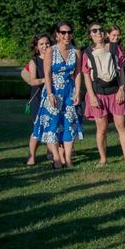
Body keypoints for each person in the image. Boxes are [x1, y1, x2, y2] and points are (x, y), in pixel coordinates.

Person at [81, 22, 125, 170]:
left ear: (104, 33)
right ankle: (103, 159)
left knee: (122, 127)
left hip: (116, 91)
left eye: (100, 30)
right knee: (101, 128)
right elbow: (86, 75)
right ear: (90, 34)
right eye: (94, 31)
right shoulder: (87, 53)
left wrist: (122, 89)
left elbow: (122, 70)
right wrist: (91, 96)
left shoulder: (114, 48)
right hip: (98, 93)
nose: (98, 33)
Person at [32, 22, 83, 169]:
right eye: (63, 32)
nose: (66, 35)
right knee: (52, 124)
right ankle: (56, 159)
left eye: (69, 32)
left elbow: (77, 73)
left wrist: (77, 91)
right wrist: (49, 94)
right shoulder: (51, 51)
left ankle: (68, 159)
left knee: (69, 124)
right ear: (57, 35)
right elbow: (47, 73)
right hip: (53, 91)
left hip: (69, 91)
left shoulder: (76, 51)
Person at [24, 33, 51, 166]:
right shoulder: (34, 61)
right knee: (38, 128)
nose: (45, 46)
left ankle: (50, 153)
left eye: (47, 43)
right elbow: (32, 81)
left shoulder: (54, 58)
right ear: (36, 47)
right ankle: (31, 156)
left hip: (52, 97)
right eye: (41, 44)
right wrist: (46, 80)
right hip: (38, 98)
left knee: (51, 126)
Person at [107, 25, 125, 102]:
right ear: (107, 35)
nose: (116, 37)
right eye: (113, 35)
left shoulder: (124, 50)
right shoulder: (103, 49)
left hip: (123, 84)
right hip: (108, 85)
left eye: (118, 35)